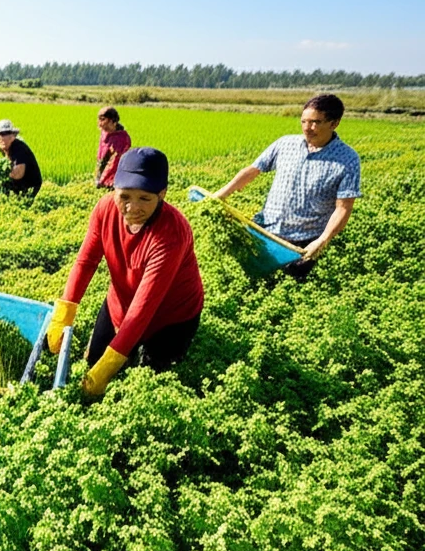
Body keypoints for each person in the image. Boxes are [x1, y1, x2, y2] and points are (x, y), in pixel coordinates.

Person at [47, 148, 204, 397]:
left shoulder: (171, 234)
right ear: (114, 189)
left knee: (148, 383)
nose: (132, 208)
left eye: (145, 198)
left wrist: (108, 368)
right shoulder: (105, 210)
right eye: (125, 196)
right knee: (92, 362)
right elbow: (86, 262)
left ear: (162, 194)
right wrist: (64, 313)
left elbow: (144, 308)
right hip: (121, 300)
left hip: (171, 316)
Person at [212, 94, 361, 280]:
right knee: (252, 280)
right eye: (304, 121)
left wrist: (322, 241)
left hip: (303, 243)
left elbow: (343, 208)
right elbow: (252, 171)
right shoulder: (286, 144)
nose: (307, 128)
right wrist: (219, 196)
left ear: (334, 123)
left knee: (291, 284)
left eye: (315, 122)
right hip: (266, 232)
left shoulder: (347, 159)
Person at [0, 119, 43, 197]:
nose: (1, 138)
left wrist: (2, 176)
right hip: (20, 187)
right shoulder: (6, 149)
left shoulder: (18, 148)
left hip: (30, 187)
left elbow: (18, 174)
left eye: (4, 134)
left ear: (12, 136)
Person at [95, 106, 131, 188]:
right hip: (103, 171)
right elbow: (101, 156)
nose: (100, 124)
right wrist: (98, 176)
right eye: (99, 120)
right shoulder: (105, 133)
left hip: (115, 177)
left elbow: (114, 162)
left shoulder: (121, 139)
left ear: (113, 121)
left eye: (103, 120)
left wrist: (102, 180)